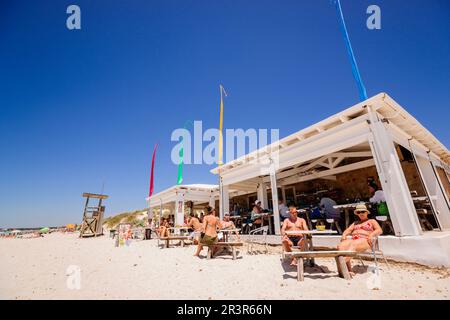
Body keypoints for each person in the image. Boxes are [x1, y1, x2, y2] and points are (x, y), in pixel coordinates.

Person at [338, 204, 383, 276]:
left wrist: (371, 235)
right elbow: (348, 230)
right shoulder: (355, 223)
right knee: (341, 246)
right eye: (358, 212)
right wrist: (344, 235)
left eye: (362, 211)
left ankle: (341, 264)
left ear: (366, 212)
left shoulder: (372, 221)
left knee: (353, 244)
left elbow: (379, 230)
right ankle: (348, 270)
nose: (361, 214)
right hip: (353, 239)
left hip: (365, 240)